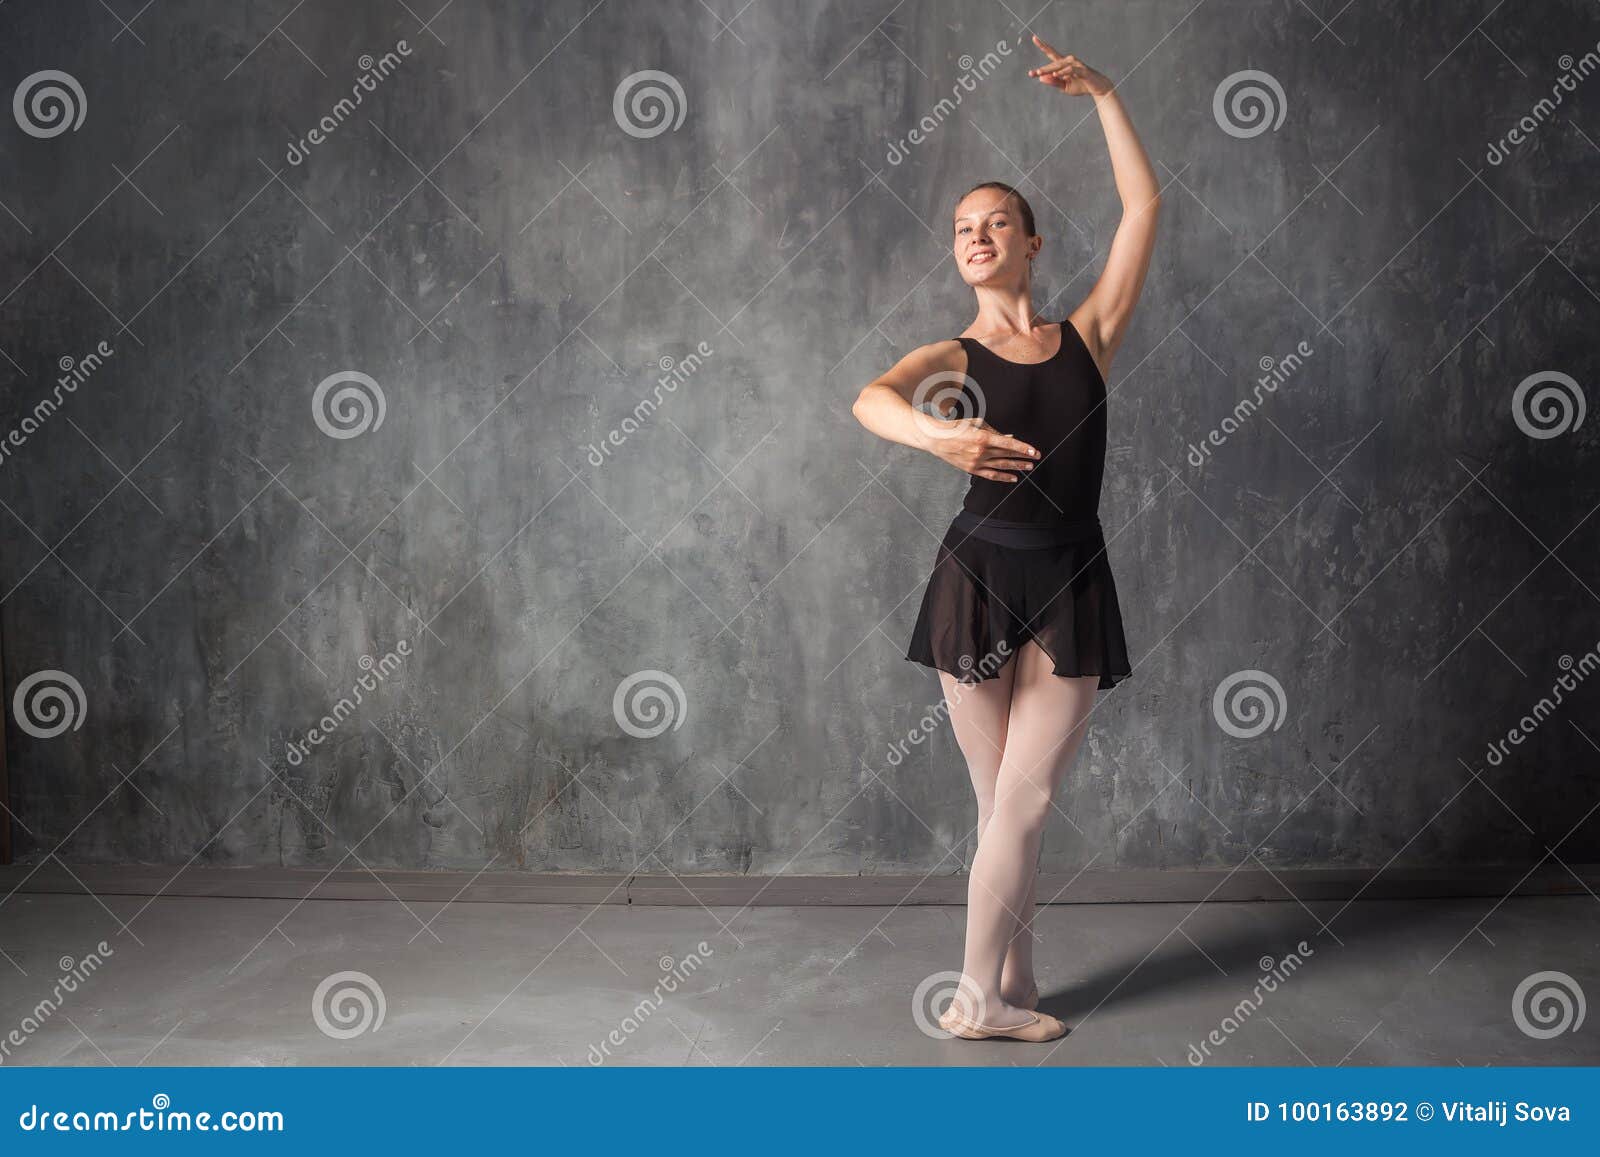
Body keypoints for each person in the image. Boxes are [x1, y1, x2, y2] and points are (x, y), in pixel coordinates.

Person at [850, 37, 1161, 1043]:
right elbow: (871, 399)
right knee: (1002, 802)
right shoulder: (953, 352)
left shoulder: (1088, 336)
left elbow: (1144, 210)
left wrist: (1105, 90)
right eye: (961, 228)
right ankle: (985, 994)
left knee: (1018, 803)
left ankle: (1006, 979)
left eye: (996, 224)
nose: (976, 236)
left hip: (1069, 577)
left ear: (1032, 245)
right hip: (976, 577)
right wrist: (936, 430)